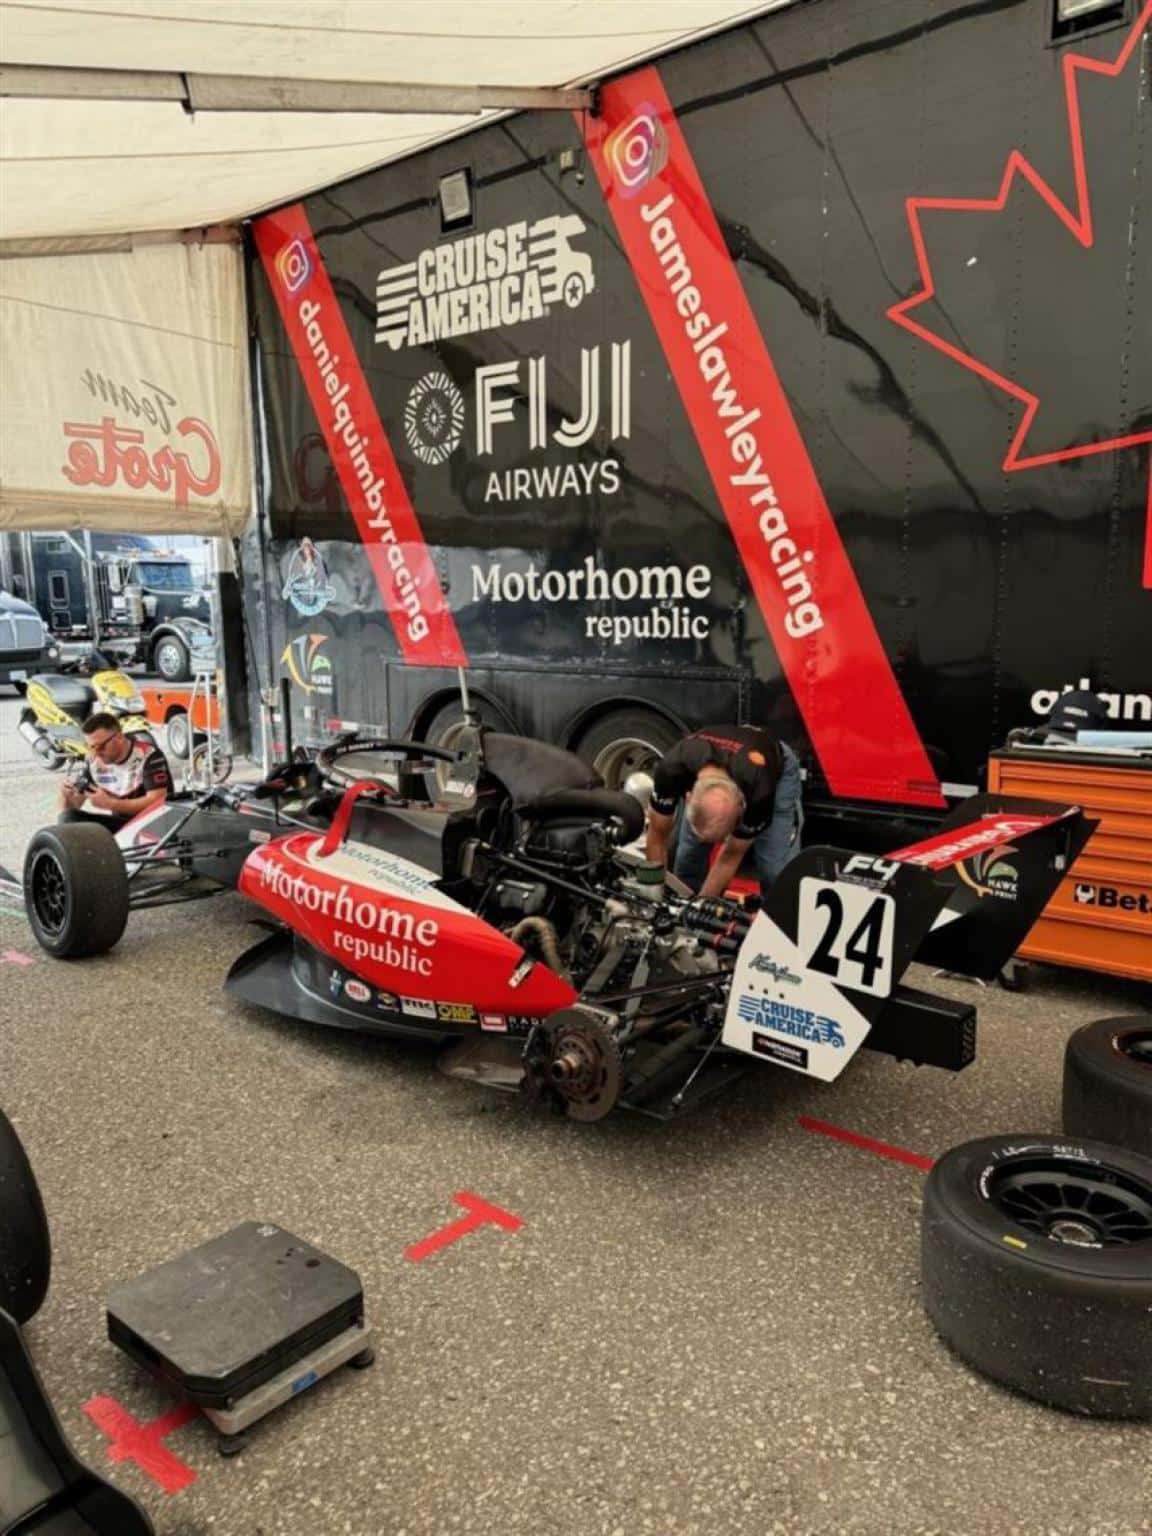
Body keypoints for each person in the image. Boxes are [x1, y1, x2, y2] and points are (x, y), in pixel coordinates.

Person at [645, 724, 802, 903]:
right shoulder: (671, 769)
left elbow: (731, 856)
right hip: (729, 753)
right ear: (689, 797)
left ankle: (778, 913)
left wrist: (702, 907)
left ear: (742, 809)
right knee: (688, 856)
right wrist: (654, 898)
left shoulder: (760, 792)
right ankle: (684, 901)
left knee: (774, 871)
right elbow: (656, 835)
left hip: (772, 764)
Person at [58, 713, 170, 834]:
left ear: (119, 737)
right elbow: (74, 806)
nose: (96, 753)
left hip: (152, 824)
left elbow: (157, 801)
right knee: (68, 817)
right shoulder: (94, 761)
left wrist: (111, 804)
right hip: (122, 825)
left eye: (100, 747)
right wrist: (66, 797)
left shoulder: (148, 754)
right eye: (91, 747)